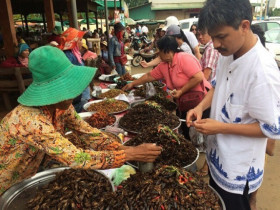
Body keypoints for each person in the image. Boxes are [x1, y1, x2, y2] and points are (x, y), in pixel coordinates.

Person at [0, 46, 162, 195]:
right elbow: (76, 158)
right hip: (8, 181)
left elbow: (87, 132)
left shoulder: (61, 106)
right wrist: (130, 154)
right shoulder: (32, 121)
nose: (72, 93)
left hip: (32, 169)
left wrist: (121, 148)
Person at [186, 0, 280, 209]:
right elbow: (217, 86)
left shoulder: (262, 71)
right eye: (213, 36)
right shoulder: (228, 53)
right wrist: (200, 107)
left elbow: (269, 129)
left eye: (221, 37)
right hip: (218, 159)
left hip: (237, 172)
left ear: (244, 26)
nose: (216, 44)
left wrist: (220, 127)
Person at [123, 36, 210, 139]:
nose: (157, 53)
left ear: (167, 51)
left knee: (199, 133)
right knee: (186, 129)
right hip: (184, 103)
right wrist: (133, 84)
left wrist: (181, 91)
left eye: (159, 50)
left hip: (199, 101)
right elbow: (149, 76)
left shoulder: (184, 58)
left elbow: (199, 77)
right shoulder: (164, 65)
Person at [59, 27, 90, 113]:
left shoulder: (75, 54)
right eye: (79, 40)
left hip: (82, 94)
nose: (81, 43)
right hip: (78, 97)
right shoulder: (68, 55)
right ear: (73, 42)